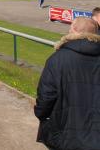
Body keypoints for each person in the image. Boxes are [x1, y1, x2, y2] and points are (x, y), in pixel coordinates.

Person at [34, 17, 100, 149]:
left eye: (70, 28)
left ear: (74, 31)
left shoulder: (57, 59)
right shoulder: (58, 59)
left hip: (65, 137)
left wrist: (41, 114)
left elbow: (45, 97)